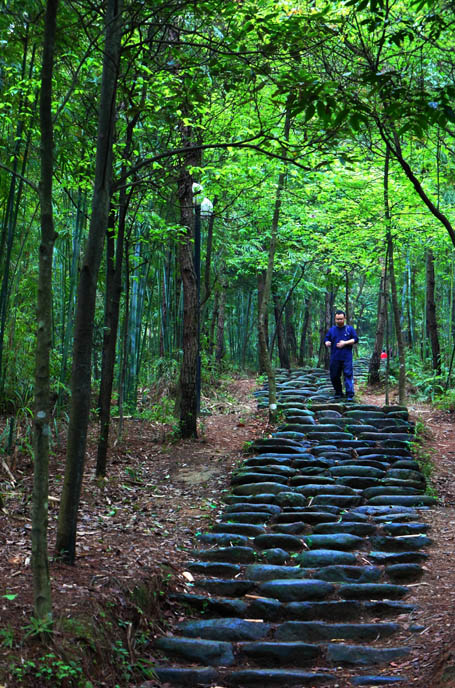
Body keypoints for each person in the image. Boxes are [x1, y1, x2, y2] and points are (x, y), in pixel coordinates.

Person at [324, 310, 359, 400]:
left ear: (345, 318)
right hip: (335, 357)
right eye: (337, 319)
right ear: (335, 319)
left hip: (346, 356)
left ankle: (349, 394)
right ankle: (338, 392)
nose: (339, 321)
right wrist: (327, 342)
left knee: (348, 374)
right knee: (334, 375)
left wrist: (345, 343)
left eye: (341, 319)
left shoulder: (349, 329)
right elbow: (326, 339)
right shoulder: (332, 330)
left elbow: (355, 339)